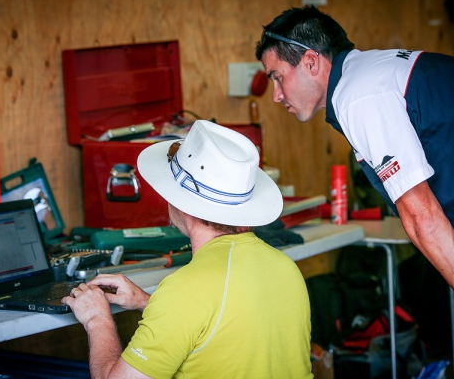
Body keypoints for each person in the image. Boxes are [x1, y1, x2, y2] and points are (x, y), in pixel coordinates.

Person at [255, 5, 454, 379]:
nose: (276, 95)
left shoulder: (359, 96)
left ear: (311, 62)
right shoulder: (370, 74)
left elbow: (421, 216)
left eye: (277, 77)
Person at [62, 120, 313, 379]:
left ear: (181, 202)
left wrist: (97, 319)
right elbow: (221, 327)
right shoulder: (287, 268)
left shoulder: (185, 289)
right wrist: (148, 303)